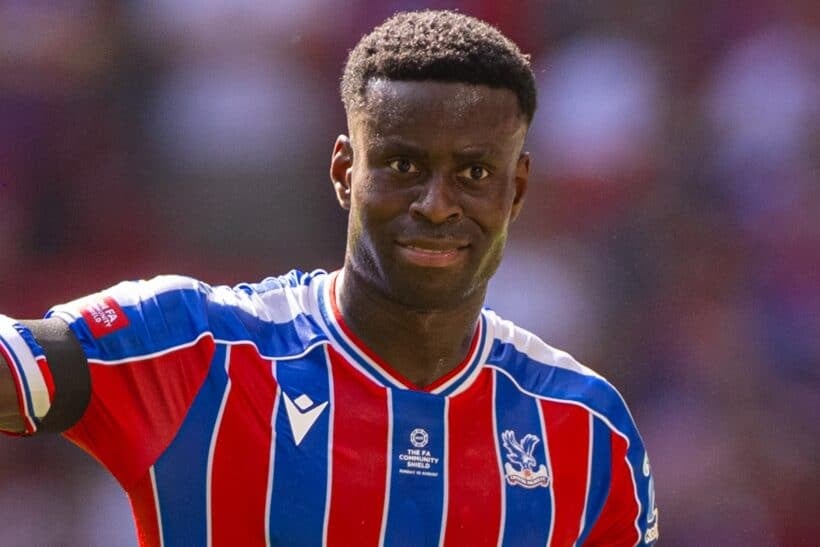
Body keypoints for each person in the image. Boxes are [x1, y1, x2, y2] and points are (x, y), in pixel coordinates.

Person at [0, 10, 658, 547]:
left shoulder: (586, 429)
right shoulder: (195, 351)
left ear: (517, 189)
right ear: (345, 171)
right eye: (402, 164)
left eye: (475, 173)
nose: (435, 203)